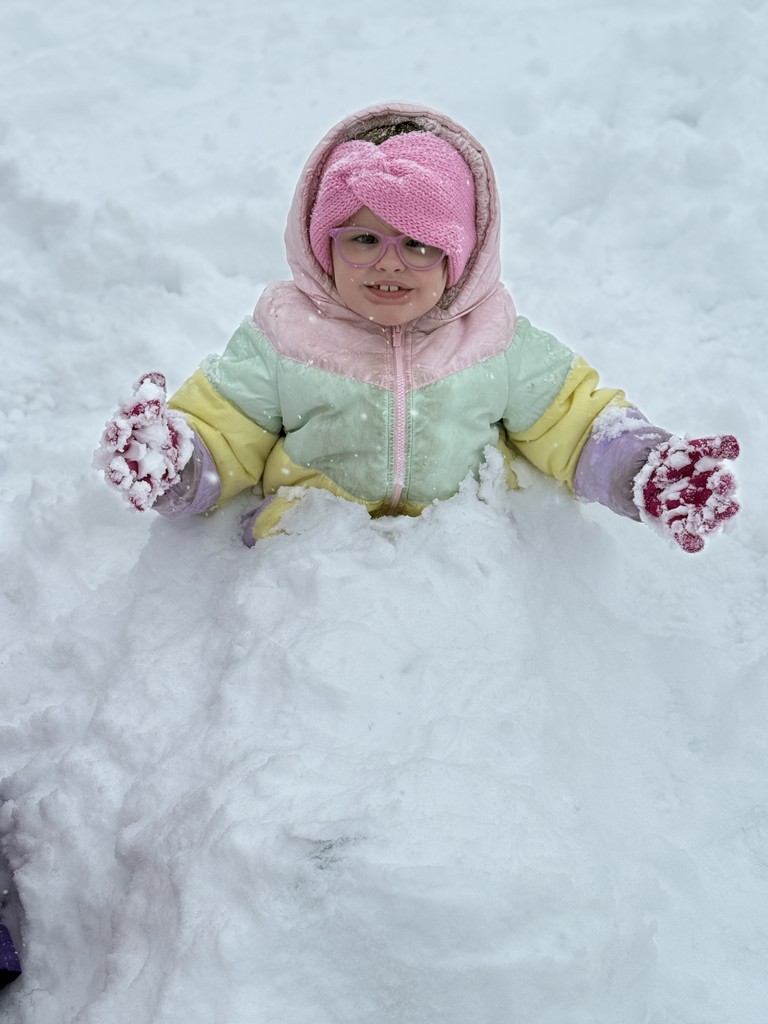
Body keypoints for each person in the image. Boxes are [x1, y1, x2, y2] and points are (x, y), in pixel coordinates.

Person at [94, 102, 739, 554]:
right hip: (306, 567)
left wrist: (643, 468)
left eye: (419, 245)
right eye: (363, 239)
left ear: (460, 255)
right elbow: (224, 430)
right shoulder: (284, 336)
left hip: (465, 558)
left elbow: (573, 421)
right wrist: (176, 463)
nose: (388, 265)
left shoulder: (494, 337)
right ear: (325, 245)